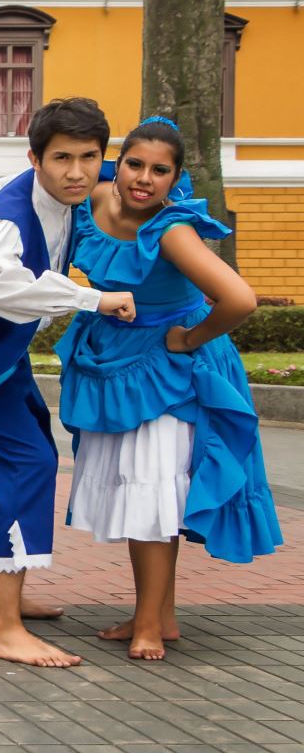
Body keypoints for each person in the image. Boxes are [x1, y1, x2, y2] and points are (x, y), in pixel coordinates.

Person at [56, 117, 282, 659]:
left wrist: (187, 339)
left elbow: (240, 299)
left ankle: (150, 628)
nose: (143, 179)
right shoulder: (91, 201)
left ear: (176, 178)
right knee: (145, 496)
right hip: (115, 359)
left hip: (168, 371)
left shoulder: (172, 229)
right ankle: (158, 616)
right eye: (135, 164)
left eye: (160, 171)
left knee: (152, 494)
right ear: (120, 161)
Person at [0, 96, 137, 668]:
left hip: (2, 349)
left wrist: (145, 170)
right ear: (34, 159)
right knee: (29, 464)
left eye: (90, 158)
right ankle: (2, 626)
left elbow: (133, 166)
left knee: (31, 455)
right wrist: (96, 299)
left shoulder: (83, 179)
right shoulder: (9, 215)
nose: (77, 172)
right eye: (62, 159)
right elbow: (1, 289)